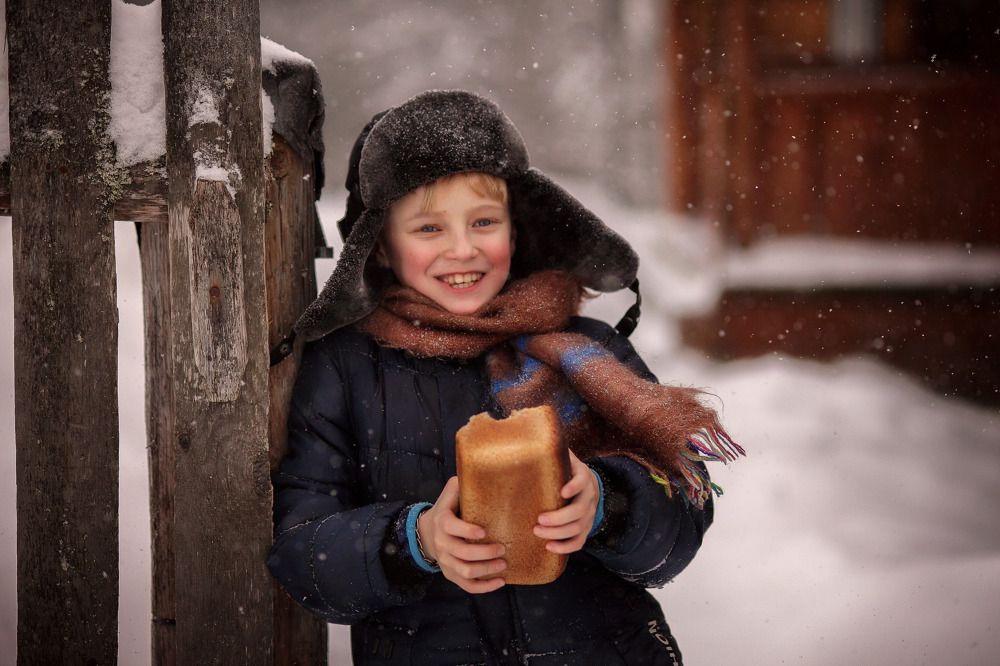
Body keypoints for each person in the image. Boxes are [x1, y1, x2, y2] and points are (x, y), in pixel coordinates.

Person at [267, 90, 742, 665]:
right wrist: (413, 540)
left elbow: (681, 519)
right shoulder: (346, 368)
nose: (462, 249)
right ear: (382, 249)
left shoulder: (588, 350)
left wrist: (608, 505)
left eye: (484, 222)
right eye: (428, 229)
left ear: (515, 234)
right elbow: (301, 551)